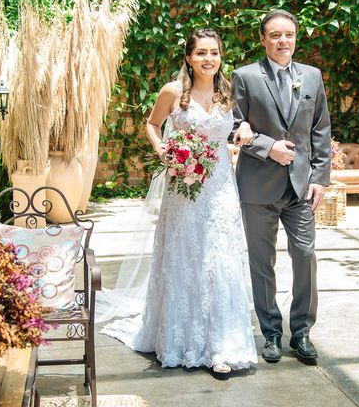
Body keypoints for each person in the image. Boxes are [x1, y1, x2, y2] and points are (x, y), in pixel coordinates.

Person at [101, 28, 258, 377]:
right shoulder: (173, 92)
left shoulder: (228, 91)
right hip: (184, 187)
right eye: (201, 53)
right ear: (189, 57)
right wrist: (163, 150)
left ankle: (222, 345)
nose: (208, 59)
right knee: (185, 256)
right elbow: (152, 124)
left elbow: (238, 126)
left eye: (214, 53)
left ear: (221, 56)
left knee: (220, 260)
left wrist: (244, 128)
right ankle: (175, 338)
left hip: (220, 187)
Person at [232, 9, 331, 364]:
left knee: (305, 256)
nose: (282, 41)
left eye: (288, 34)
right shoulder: (244, 77)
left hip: (301, 188)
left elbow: (320, 129)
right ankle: (271, 332)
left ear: (296, 36)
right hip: (258, 187)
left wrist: (321, 178)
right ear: (263, 39)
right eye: (274, 35)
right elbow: (233, 126)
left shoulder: (312, 76)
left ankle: (301, 331)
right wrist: (266, 146)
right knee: (262, 263)